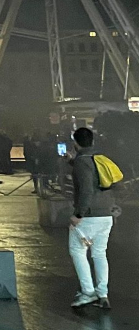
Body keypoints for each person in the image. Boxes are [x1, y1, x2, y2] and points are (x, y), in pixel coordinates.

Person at [67, 127, 114, 309]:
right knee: (100, 253)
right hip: (106, 215)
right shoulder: (99, 159)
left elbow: (86, 189)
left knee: (77, 251)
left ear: (75, 144)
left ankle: (87, 292)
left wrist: (78, 214)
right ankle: (102, 293)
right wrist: (73, 162)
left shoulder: (81, 163)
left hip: (89, 216)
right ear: (92, 142)